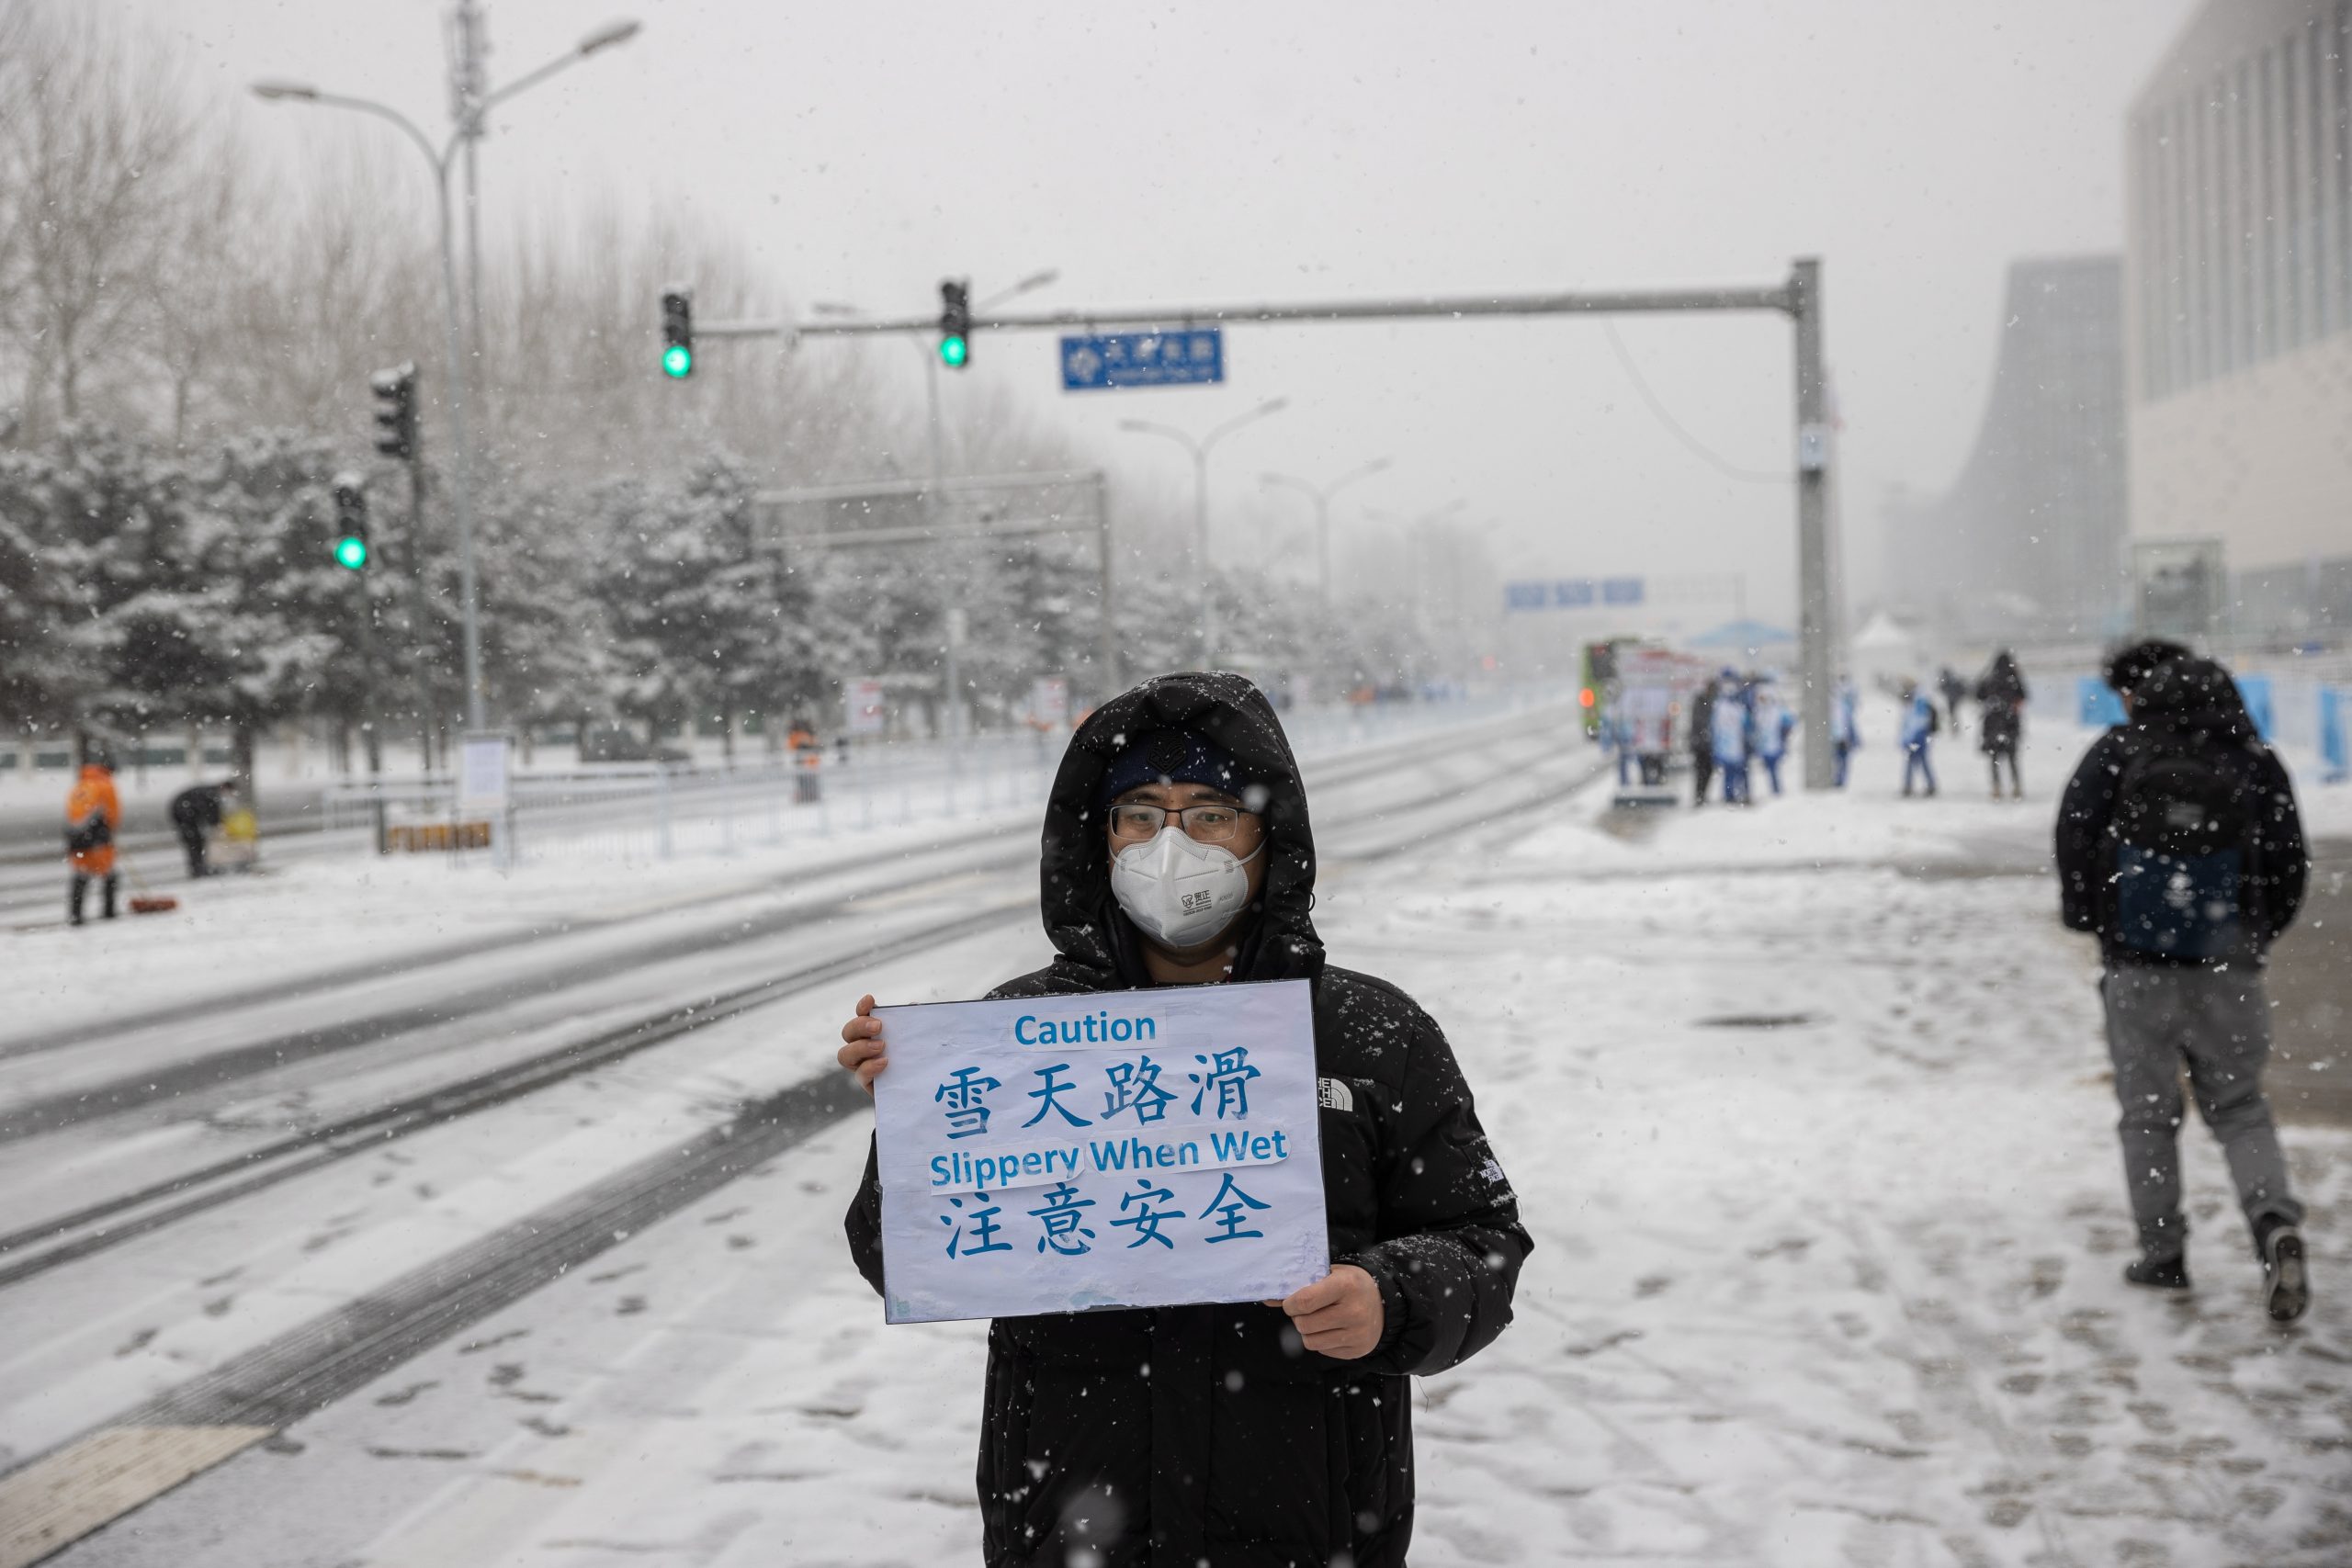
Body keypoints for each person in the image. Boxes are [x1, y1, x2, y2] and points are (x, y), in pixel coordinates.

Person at [836, 671, 1530, 1567]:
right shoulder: (1019, 1037)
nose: (1170, 847)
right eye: (1139, 817)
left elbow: (1484, 1245)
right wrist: (916, 1121)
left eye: (1208, 814)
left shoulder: (1369, 1035)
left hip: (1310, 1528)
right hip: (1074, 1528)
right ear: (1101, 841)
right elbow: (893, 1250)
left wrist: (1389, 1298)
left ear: (1266, 837)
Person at [2056, 643, 2310, 1323]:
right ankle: (2272, 1223)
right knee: (2240, 1106)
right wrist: (2250, 933)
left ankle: (2162, 1253)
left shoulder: (2118, 751)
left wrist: (2097, 922)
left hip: (2137, 963)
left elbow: (2074, 833)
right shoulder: (2254, 762)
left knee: (2148, 1111)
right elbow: (2290, 860)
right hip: (2228, 961)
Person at [64, 750, 122, 926]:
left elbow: (72, 812)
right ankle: (109, 911)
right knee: (109, 874)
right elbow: (112, 812)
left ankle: (75, 914)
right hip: (98, 835)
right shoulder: (105, 784)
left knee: (81, 874)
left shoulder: (80, 785)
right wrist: (110, 831)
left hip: (76, 837)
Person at [1974, 649, 2030, 799]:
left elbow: (1978, 694)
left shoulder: (1990, 678)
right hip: (2010, 723)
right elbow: (2024, 696)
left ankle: (1996, 787)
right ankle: (2016, 787)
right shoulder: (2014, 678)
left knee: (1994, 759)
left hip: (1993, 724)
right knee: (2012, 757)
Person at [168, 779, 235, 878]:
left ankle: (198, 868)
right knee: (194, 842)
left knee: (195, 841)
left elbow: (209, 812)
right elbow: (211, 812)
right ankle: (198, 869)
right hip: (184, 814)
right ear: (225, 788)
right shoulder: (212, 795)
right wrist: (217, 824)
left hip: (182, 812)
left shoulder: (209, 792)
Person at [1710, 670, 1752, 805]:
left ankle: (1740, 795)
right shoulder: (1720, 707)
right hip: (1727, 746)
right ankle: (1731, 797)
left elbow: (1747, 725)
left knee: (1738, 773)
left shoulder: (1737, 705)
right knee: (1731, 773)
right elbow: (1714, 727)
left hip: (1736, 745)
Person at [1750, 676, 1794, 795]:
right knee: (1768, 769)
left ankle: (1776, 790)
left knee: (1774, 769)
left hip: (1775, 744)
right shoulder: (1758, 712)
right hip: (1764, 746)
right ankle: (1774, 790)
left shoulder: (1777, 711)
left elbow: (1789, 723)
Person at [1898, 679, 1939, 796]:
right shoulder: (1918, 699)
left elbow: (1917, 720)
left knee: (1915, 761)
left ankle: (1911, 786)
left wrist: (1911, 736)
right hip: (1917, 735)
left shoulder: (1919, 700)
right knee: (1920, 761)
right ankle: (1926, 785)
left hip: (1918, 735)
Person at [1688, 675, 1718, 807]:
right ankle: (1699, 796)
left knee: (1705, 771)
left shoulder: (1704, 701)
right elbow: (1700, 722)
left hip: (1703, 743)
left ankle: (1701, 796)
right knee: (1702, 771)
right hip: (1702, 744)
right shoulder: (1702, 701)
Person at [1831, 674, 1861, 789]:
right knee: (1839, 760)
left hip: (1841, 737)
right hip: (1838, 737)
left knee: (1842, 759)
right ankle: (1838, 779)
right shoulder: (1840, 708)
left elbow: (1850, 724)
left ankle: (1840, 780)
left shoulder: (1843, 709)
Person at [1937, 665, 1970, 736]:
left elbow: (1942, 688)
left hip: (1953, 700)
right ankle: (1954, 729)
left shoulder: (1950, 681)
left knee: (1953, 715)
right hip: (1953, 699)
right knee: (1953, 715)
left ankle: (1954, 729)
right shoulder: (1952, 680)